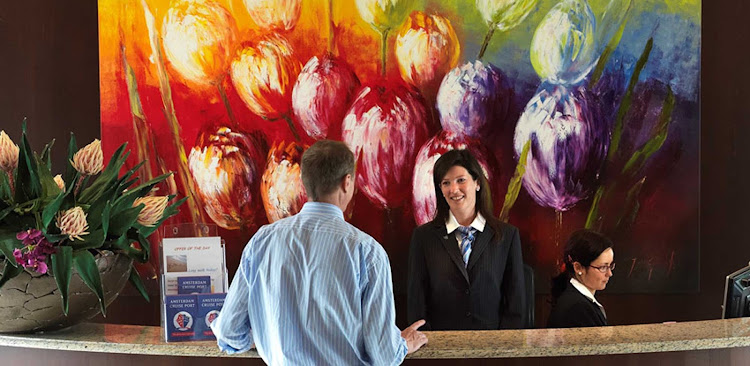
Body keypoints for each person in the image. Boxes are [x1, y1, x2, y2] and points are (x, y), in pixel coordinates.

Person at [211, 140, 428, 365]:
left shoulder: (262, 242)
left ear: (305, 184)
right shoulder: (368, 252)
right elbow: (383, 355)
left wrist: (270, 334)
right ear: (347, 182)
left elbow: (229, 333)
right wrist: (403, 344)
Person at [407, 149, 526, 330]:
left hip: (493, 349)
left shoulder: (507, 236)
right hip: (442, 349)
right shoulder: (424, 237)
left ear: (477, 182)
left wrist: (503, 352)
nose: (454, 189)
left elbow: (515, 307)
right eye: (446, 183)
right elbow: (417, 303)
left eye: (461, 180)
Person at [547, 229, 614, 328]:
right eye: (603, 267)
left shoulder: (578, 301)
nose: (609, 273)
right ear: (578, 267)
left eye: (610, 265)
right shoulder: (577, 308)